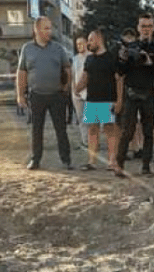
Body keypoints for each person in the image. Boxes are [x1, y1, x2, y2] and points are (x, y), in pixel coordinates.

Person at [16, 16, 73, 170]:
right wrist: (20, 94)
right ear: (36, 29)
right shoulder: (27, 49)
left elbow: (67, 68)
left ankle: (66, 160)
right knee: (36, 129)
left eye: (50, 28)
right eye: (46, 28)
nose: (50, 31)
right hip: (36, 95)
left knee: (61, 129)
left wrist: (66, 87)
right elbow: (21, 73)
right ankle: (35, 160)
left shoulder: (58, 48)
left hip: (56, 95)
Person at [114, 14, 154, 176]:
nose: (146, 29)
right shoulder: (130, 47)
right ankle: (119, 165)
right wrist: (122, 59)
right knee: (127, 131)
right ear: (138, 28)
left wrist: (151, 63)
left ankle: (146, 167)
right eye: (143, 26)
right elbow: (120, 72)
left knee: (148, 131)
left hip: (149, 93)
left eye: (149, 26)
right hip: (131, 93)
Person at [74, 28, 121, 172]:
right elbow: (85, 77)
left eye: (91, 40)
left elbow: (119, 80)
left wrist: (119, 100)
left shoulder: (112, 57)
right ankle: (92, 162)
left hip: (108, 100)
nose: (88, 43)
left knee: (110, 130)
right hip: (91, 100)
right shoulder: (89, 59)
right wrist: (76, 89)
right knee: (92, 130)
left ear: (99, 39)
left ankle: (112, 161)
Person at [72, 35, 89, 147]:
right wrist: (74, 89)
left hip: (90, 92)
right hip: (77, 94)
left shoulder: (91, 57)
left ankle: (93, 141)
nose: (79, 46)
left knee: (91, 119)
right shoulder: (75, 59)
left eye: (81, 43)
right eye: (77, 44)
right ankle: (85, 141)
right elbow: (73, 75)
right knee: (81, 118)